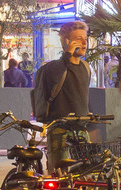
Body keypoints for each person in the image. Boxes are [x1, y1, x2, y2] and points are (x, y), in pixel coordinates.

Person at [32, 20, 93, 167]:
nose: (84, 43)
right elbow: (54, 75)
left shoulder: (85, 67)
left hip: (81, 130)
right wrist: (67, 55)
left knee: (86, 174)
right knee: (59, 176)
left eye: (85, 38)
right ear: (67, 41)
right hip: (60, 131)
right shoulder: (53, 68)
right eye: (79, 39)